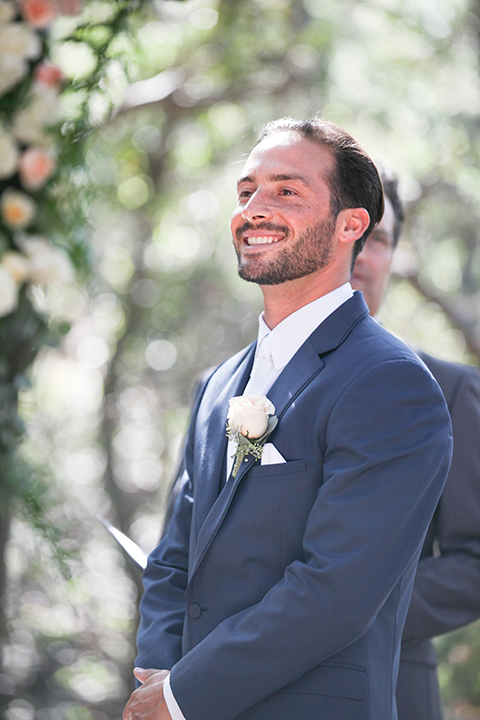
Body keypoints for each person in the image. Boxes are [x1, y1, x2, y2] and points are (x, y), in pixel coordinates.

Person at [123, 118, 453, 720]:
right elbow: (174, 559)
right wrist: (160, 671)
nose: (254, 208)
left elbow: (336, 591)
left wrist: (181, 696)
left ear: (353, 224)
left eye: (286, 191)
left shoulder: (389, 383)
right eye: (246, 191)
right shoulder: (219, 384)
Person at [352, 174, 480, 720]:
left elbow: (476, 561)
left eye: (378, 238)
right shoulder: (226, 388)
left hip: (389, 690)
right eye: (348, 232)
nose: (360, 253)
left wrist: (348, 610)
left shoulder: (447, 389)